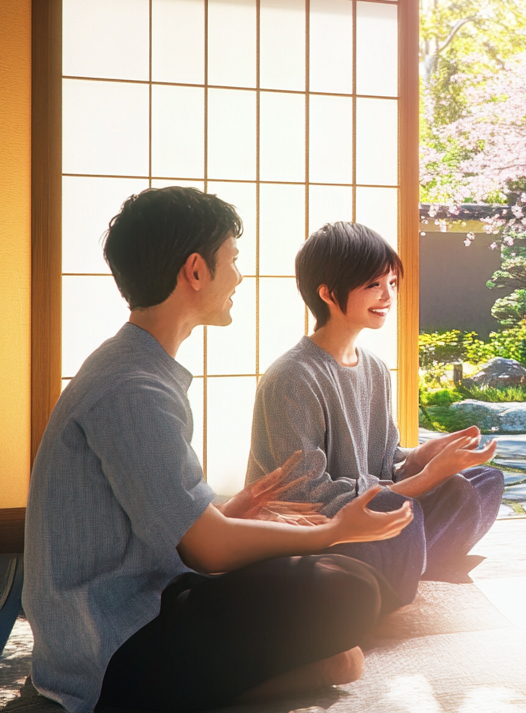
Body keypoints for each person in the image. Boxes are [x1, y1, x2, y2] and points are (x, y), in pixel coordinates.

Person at [24, 187, 413, 713]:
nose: (238, 276)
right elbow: (207, 549)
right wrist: (336, 530)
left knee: (342, 585)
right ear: (195, 271)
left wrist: (231, 513)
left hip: (149, 597)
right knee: (349, 588)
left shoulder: (137, 368)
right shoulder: (133, 388)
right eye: (232, 259)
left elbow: (165, 526)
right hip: (109, 644)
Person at [249, 222, 504, 605]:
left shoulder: (375, 369)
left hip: (369, 517)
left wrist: (425, 457)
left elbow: (388, 464)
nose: (388, 296)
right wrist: (425, 480)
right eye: (374, 285)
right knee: (399, 509)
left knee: (481, 481)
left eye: (391, 283)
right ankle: (402, 569)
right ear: (328, 293)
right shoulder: (292, 377)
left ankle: (403, 566)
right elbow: (306, 495)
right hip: (315, 535)